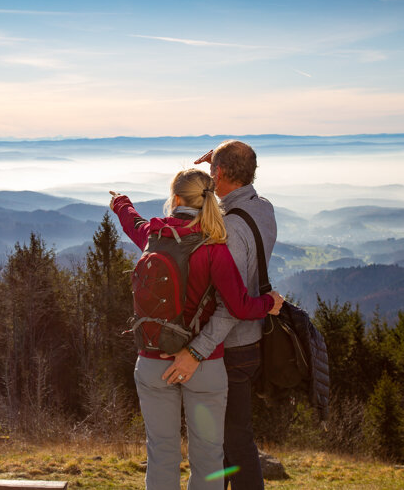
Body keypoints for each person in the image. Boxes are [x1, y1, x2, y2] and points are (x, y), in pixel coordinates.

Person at [110, 168, 280, 490]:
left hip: (151, 362)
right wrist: (268, 304)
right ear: (208, 201)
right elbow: (240, 306)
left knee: (161, 454)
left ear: (174, 199)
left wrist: (121, 202)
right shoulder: (213, 248)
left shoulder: (153, 237)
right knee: (208, 459)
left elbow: (131, 221)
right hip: (202, 366)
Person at [163, 141, 279, 490]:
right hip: (253, 341)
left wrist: (196, 351)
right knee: (229, 440)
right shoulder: (263, 208)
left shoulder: (228, 230)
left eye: (216, 171)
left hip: (230, 346)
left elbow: (232, 305)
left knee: (234, 441)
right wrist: (223, 163)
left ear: (221, 173)